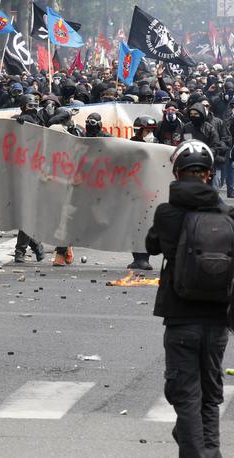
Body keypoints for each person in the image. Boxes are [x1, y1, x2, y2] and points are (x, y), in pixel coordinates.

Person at [145, 139, 230, 458]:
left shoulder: (166, 213)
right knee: (210, 397)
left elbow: (151, 245)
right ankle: (211, 452)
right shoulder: (227, 213)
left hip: (180, 318)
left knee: (186, 398)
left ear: (177, 174)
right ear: (209, 175)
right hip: (219, 320)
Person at [14, 94, 45, 264]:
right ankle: (31, 246)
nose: (33, 108)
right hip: (20, 172)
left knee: (28, 214)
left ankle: (26, 249)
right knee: (25, 214)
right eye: (29, 105)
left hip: (34, 172)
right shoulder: (20, 121)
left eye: (35, 105)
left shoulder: (38, 120)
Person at [128, 116, 158, 271]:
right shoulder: (131, 143)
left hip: (151, 190)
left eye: (151, 131)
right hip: (134, 190)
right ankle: (137, 258)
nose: (149, 134)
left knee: (146, 224)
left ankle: (144, 258)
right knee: (134, 225)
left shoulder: (158, 144)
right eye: (147, 131)